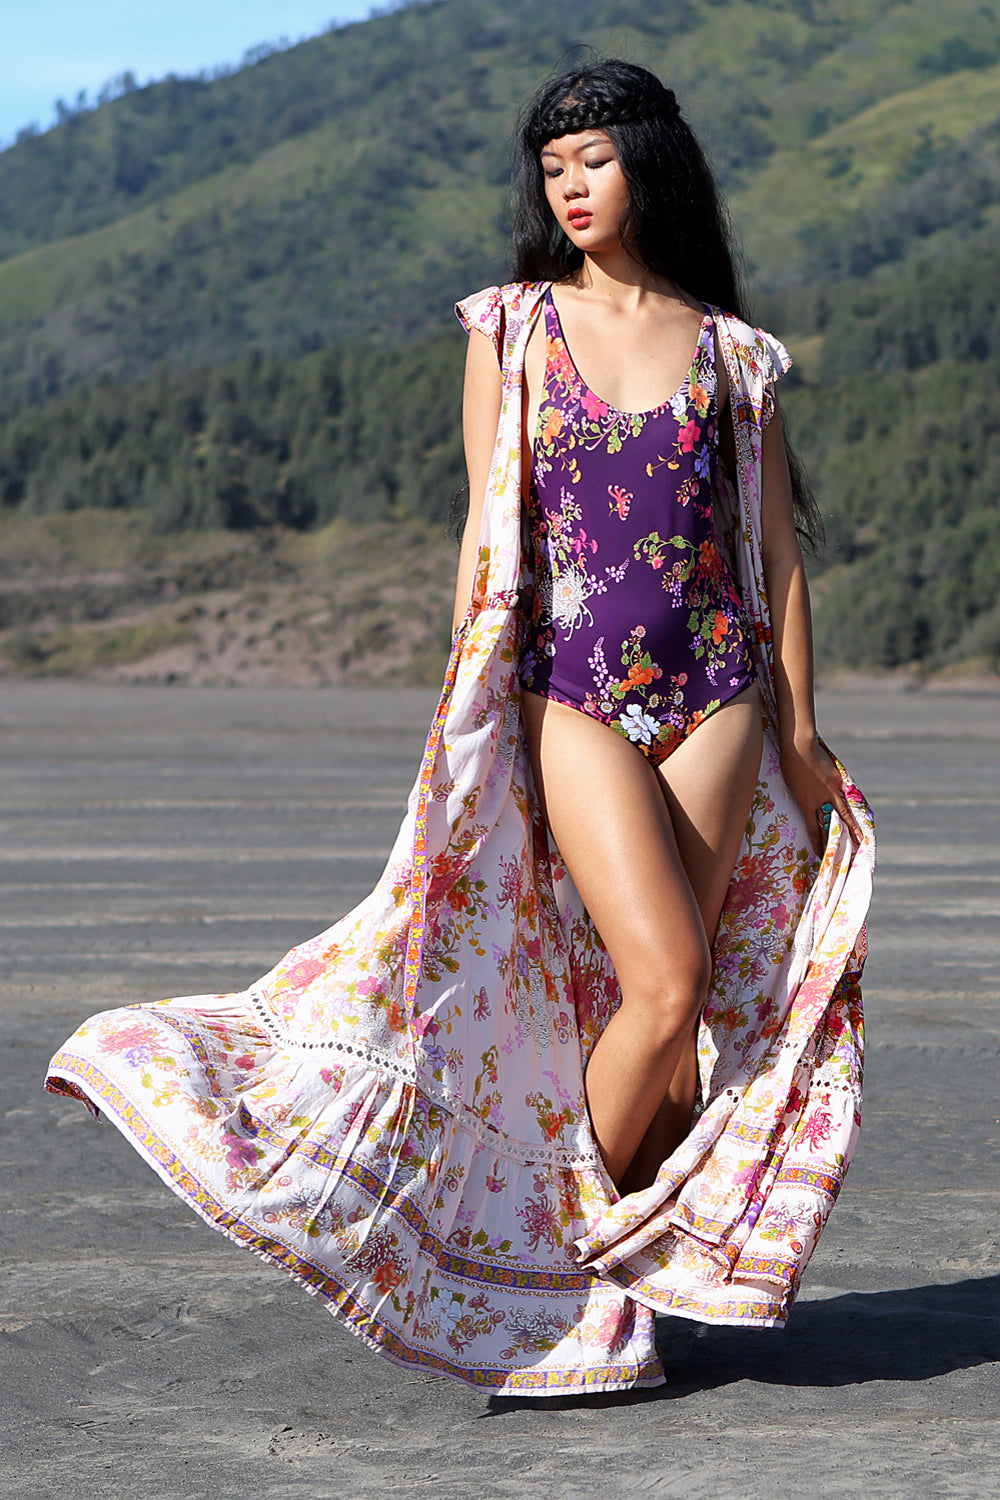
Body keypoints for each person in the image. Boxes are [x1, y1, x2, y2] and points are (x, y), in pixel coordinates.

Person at [46, 60, 874, 1398]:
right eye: (553, 170)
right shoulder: (514, 327)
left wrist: (801, 732)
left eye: (594, 160)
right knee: (664, 979)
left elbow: (775, 556)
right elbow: (488, 539)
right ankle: (555, 1276)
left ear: (651, 162)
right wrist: (466, 703)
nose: (571, 188)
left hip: (717, 699)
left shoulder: (735, 353)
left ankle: (620, 1289)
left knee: (668, 1028)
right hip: (569, 693)